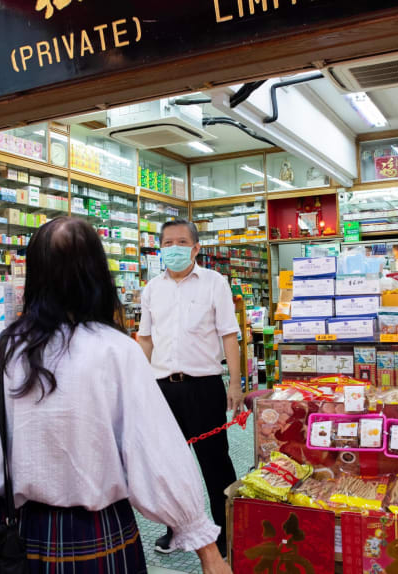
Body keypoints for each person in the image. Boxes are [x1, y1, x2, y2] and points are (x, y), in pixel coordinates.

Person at [0, 217, 230, 574]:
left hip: (15, 536)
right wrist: (208, 551)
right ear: (97, 274)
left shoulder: (1, 348)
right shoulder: (115, 350)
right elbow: (157, 457)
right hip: (101, 533)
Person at [137, 219, 243, 557]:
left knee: (215, 463)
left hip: (205, 387)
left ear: (196, 248)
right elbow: (145, 339)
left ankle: (225, 536)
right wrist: (137, 384)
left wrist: (236, 384)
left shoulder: (215, 283)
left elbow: (230, 335)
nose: (174, 248)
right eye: (167, 243)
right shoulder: (152, 288)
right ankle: (176, 531)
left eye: (181, 242)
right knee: (168, 466)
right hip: (162, 389)